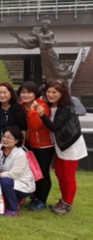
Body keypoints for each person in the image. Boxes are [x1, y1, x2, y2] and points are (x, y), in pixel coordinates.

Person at [37, 80, 87, 215]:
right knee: (59, 173)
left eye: (54, 92)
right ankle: (63, 200)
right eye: (48, 92)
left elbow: (54, 127)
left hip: (70, 146)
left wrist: (42, 115)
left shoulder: (65, 108)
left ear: (62, 93)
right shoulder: (52, 105)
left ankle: (67, 203)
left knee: (68, 176)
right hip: (60, 146)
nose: (51, 95)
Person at [0, 125, 35, 216]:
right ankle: (16, 199)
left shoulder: (20, 154)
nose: (5, 139)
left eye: (9, 138)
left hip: (24, 185)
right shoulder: (1, 148)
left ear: (16, 140)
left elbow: (14, 174)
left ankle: (14, 208)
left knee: (5, 181)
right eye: (4, 136)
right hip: (10, 181)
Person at [18, 81, 55, 211]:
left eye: (29, 92)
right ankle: (35, 197)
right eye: (23, 92)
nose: (25, 95)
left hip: (43, 146)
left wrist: (33, 111)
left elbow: (35, 125)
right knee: (32, 172)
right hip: (30, 144)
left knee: (42, 173)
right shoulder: (22, 106)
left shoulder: (41, 106)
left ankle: (42, 200)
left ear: (35, 94)